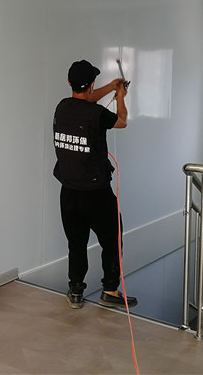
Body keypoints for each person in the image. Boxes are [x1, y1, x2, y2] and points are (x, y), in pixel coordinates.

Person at [53, 59, 138, 310]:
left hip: (69, 191)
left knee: (76, 243)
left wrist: (111, 86)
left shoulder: (62, 107)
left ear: (69, 82)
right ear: (91, 84)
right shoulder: (97, 114)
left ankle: (75, 291)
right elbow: (121, 120)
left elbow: (85, 99)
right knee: (112, 238)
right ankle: (110, 290)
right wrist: (120, 97)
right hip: (96, 193)